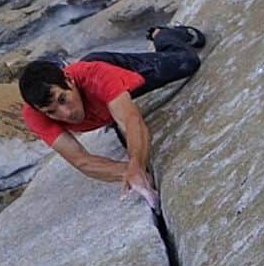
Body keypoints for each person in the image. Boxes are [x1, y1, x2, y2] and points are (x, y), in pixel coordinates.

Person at [18, 25, 206, 209]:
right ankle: (109, 111)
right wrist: (129, 173)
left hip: (108, 69)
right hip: (101, 103)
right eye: (51, 112)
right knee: (114, 115)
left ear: (69, 81)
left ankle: (163, 34)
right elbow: (82, 161)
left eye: (63, 99)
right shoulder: (34, 114)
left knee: (186, 61)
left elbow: (132, 122)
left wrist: (137, 164)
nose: (66, 114)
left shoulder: (97, 75)